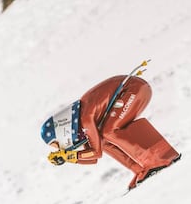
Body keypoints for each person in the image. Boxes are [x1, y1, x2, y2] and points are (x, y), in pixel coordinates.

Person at [41, 75, 180, 190]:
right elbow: (94, 157)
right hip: (135, 89)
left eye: (59, 144)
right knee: (103, 139)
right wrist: (69, 157)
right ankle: (140, 169)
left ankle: (154, 161)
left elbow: (96, 153)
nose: (63, 148)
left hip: (134, 89)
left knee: (108, 131)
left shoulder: (85, 118)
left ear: (62, 131)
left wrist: (69, 155)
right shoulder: (82, 122)